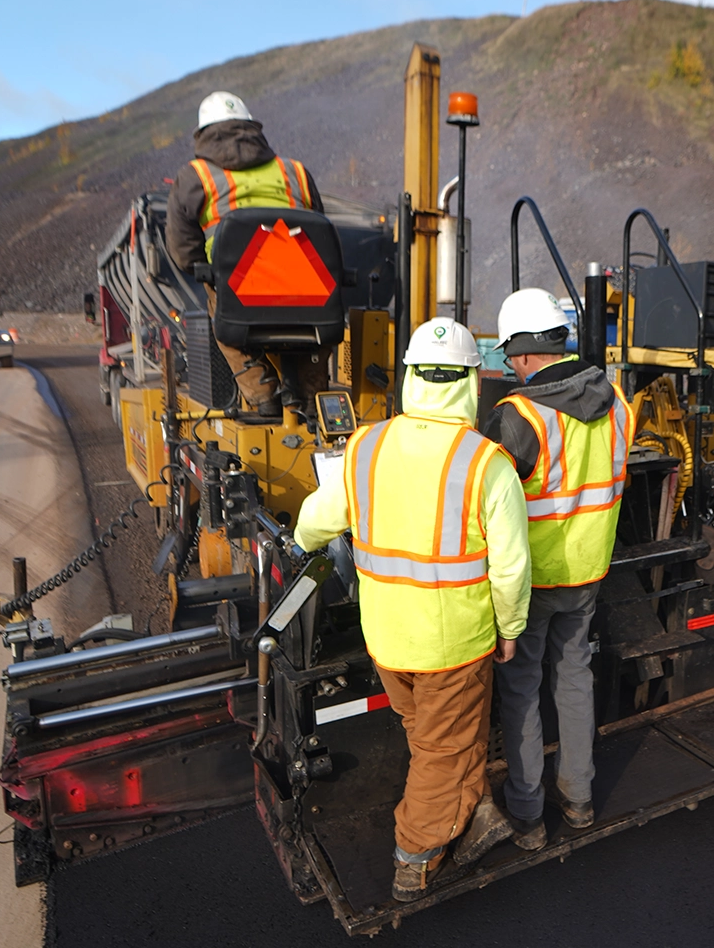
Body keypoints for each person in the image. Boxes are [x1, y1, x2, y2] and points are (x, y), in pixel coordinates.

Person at [294, 317, 531, 902]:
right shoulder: (486, 464)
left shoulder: (364, 446)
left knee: (436, 737)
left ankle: (468, 811)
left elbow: (312, 524)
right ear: (473, 384)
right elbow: (510, 568)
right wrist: (511, 628)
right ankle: (414, 856)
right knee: (442, 748)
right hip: (452, 646)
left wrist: (301, 543)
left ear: (409, 378)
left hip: (387, 639)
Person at [480, 288, 633, 851]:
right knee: (574, 677)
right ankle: (580, 799)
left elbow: (485, 504)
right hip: (589, 572)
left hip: (532, 582)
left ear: (521, 354)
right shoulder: (617, 402)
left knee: (521, 690)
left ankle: (527, 816)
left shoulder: (516, 416)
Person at [166, 90, 323, 417]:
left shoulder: (195, 176)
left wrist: (209, 270)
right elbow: (320, 229)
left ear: (202, 134)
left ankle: (263, 395)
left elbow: (184, 251)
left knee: (221, 310)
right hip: (305, 290)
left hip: (238, 289)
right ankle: (312, 399)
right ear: (252, 127)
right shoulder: (296, 171)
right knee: (311, 323)